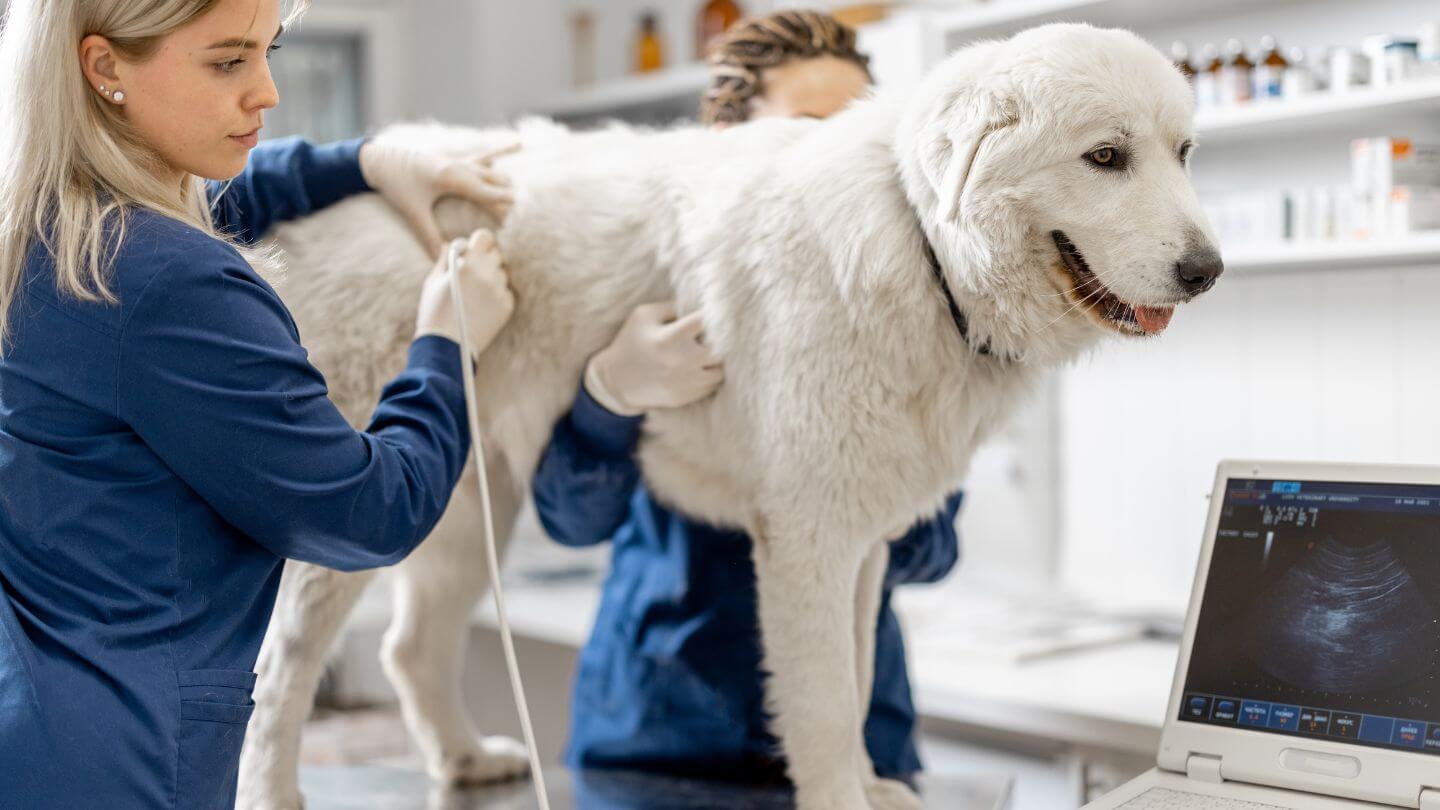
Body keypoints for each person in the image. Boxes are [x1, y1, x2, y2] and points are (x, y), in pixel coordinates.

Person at [0, 0, 517, 807]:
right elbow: (366, 511)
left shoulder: (41, 232)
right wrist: (447, 345)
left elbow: (207, 192)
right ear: (103, 68)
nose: (267, 91)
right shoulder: (172, 284)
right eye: (227, 61)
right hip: (126, 766)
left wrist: (364, 160)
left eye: (267, 50)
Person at [531, 10, 965, 787]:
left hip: (862, 733)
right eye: (808, 130)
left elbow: (935, 551)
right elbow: (571, 520)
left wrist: (884, 507)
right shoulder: (633, 276)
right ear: (727, 145)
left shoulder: (914, 315)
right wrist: (608, 396)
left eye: (855, 131)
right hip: (662, 736)